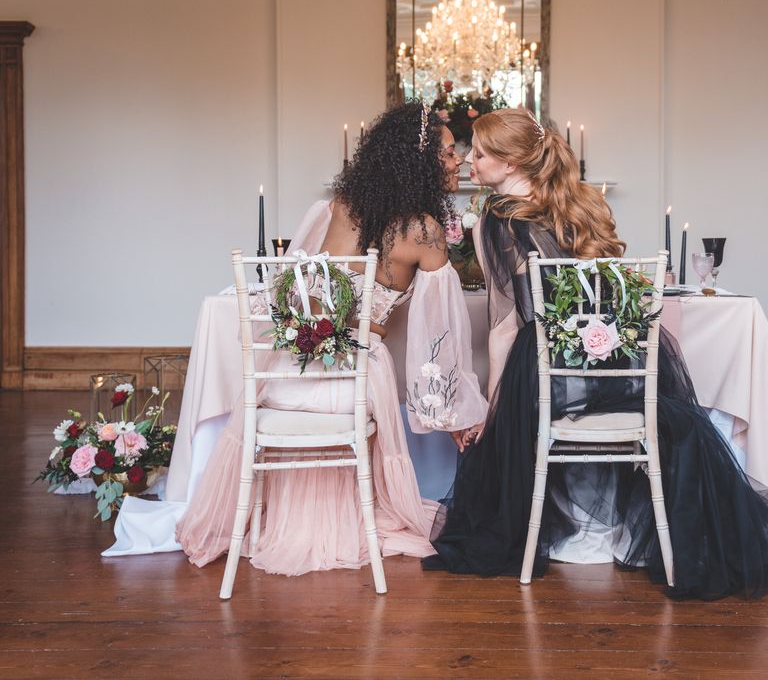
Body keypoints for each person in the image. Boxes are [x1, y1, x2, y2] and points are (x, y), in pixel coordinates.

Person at [423, 107, 768, 601]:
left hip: (546, 371)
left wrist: (494, 406)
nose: (469, 164)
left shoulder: (496, 218)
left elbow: (504, 324)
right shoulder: (579, 205)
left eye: (479, 154)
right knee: (681, 423)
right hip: (609, 365)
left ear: (511, 163)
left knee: (510, 417)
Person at [170, 101, 488, 576]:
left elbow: (294, 292)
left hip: (287, 378)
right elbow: (441, 332)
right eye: (447, 153)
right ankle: (348, 516)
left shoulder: (340, 208)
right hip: (355, 382)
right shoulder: (423, 231)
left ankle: (276, 520)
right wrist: (454, 411)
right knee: (377, 377)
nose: (458, 160)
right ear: (419, 162)